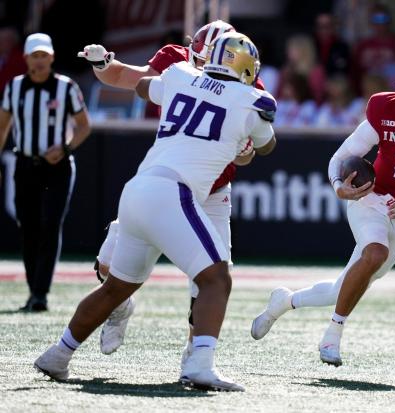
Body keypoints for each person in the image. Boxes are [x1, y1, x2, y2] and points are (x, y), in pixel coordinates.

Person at [34, 32, 277, 391]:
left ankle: (58, 354)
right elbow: (268, 145)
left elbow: (144, 87)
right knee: (216, 279)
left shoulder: (179, 74)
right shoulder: (252, 99)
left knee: (115, 288)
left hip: (138, 190)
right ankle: (200, 364)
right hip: (174, 193)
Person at [251, 52, 395, 367]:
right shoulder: (385, 109)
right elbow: (341, 158)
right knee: (374, 253)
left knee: (341, 288)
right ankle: (333, 334)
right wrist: (338, 186)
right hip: (371, 197)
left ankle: (283, 302)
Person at [77, 20, 255, 363]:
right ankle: (121, 304)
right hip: (168, 183)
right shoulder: (176, 67)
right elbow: (126, 78)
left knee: (211, 277)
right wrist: (103, 64)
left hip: (212, 191)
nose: (207, 71)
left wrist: (245, 151)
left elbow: (249, 151)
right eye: (200, 62)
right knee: (107, 264)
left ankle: (196, 354)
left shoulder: (246, 84)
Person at [0, 33, 91, 312]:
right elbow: (3, 126)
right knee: (28, 228)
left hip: (57, 167)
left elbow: (83, 126)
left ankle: (40, 293)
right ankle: (33, 290)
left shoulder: (66, 87)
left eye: (44, 55)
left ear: (51, 57)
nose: (39, 61)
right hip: (26, 165)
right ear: (26, 58)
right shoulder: (14, 88)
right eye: (34, 56)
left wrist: (64, 148)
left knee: (50, 225)